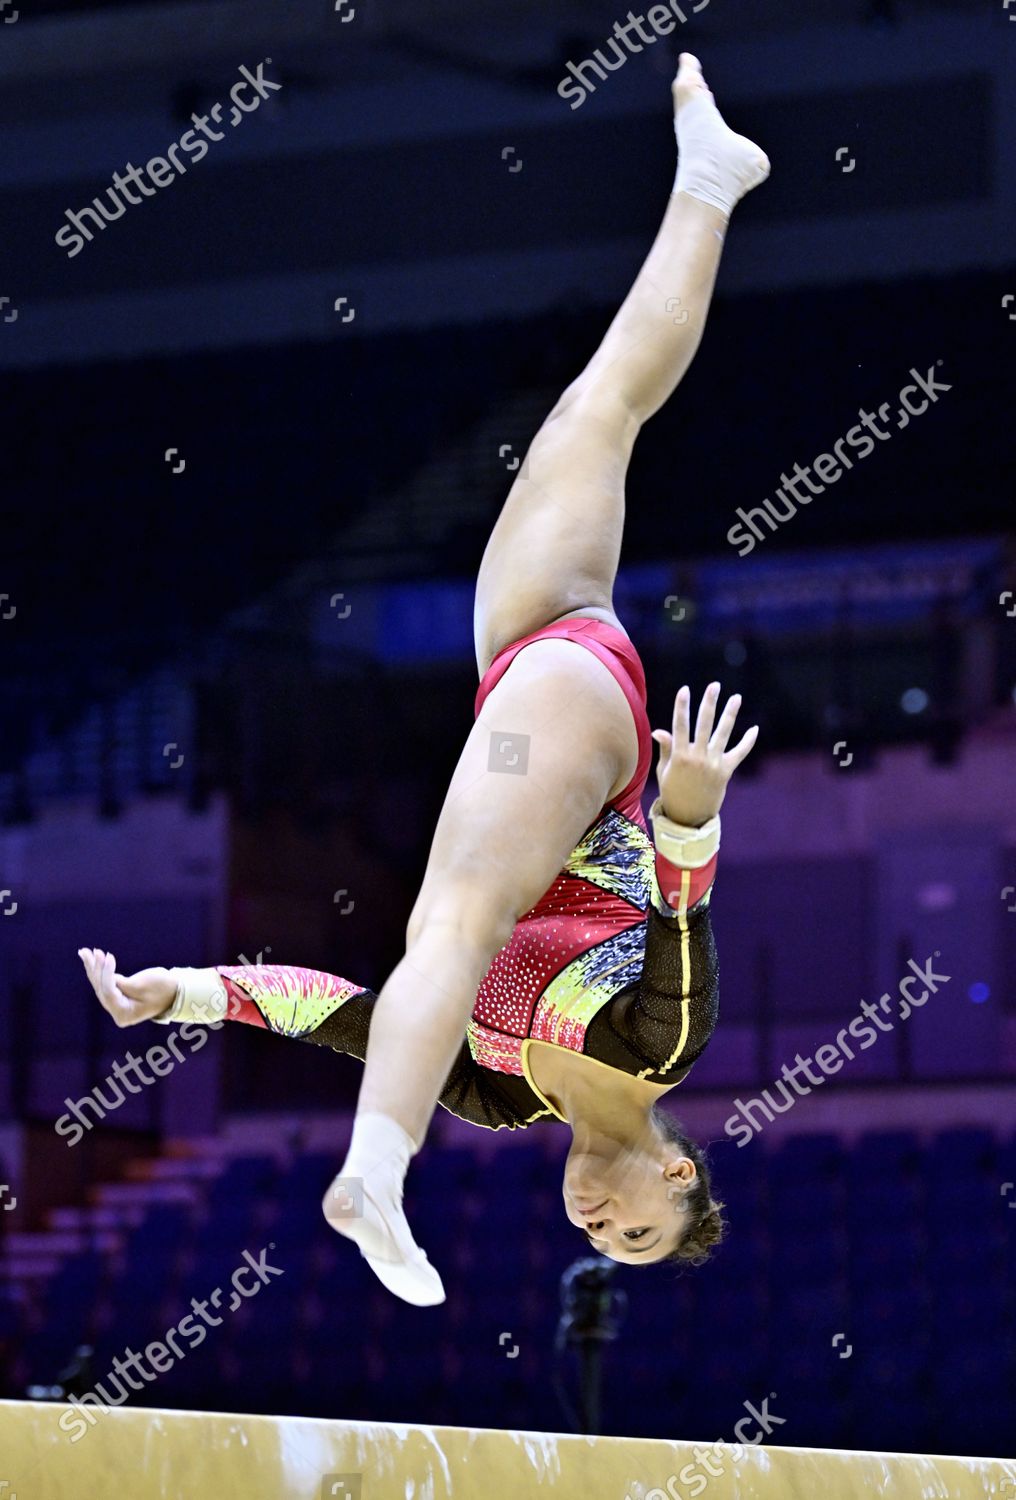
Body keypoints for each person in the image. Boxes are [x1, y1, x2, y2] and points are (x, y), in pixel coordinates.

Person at [78, 53, 769, 1308]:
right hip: (581, 727)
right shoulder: (656, 1045)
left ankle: (708, 189)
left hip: (532, 667)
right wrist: (690, 809)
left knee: (594, 412)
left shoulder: (502, 1095)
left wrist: (180, 994)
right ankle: (373, 1176)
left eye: (598, 1244)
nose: (599, 1221)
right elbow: (680, 922)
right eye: (632, 1231)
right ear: (677, 1175)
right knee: (452, 925)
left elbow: (343, 1014)